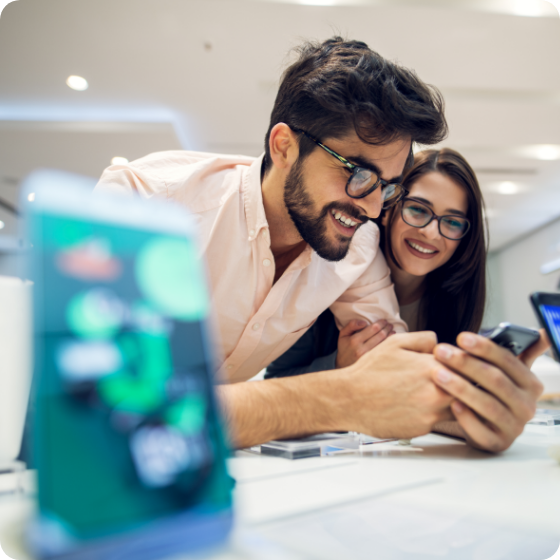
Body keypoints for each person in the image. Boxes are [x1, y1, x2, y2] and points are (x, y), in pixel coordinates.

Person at [95, 37, 547, 453]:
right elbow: (109, 414)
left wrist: (480, 408)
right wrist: (338, 396)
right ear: (285, 146)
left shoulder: (359, 246)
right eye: (358, 173)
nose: (372, 207)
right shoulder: (143, 202)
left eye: (387, 186)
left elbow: (396, 368)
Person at [266, 147, 487, 380]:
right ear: (386, 210)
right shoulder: (330, 275)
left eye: (453, 222)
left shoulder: (455, 301)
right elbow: (274, 384)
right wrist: (339, 365)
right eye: (417, 209)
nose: (431, 233)